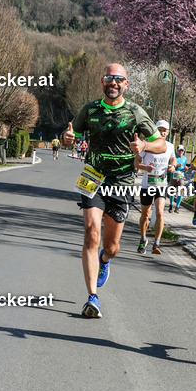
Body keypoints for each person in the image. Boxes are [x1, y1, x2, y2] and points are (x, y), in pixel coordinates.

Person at [61, 64, 166, 318]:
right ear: (102, 81)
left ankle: (105, 260)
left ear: (126, 84)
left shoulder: (135, 112)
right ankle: (92, 297)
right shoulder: (90, 109)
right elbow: (70, 133)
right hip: (93, 175)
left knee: (112, 246)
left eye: (118, 79)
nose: (113, 82)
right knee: (91, 232)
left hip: (122, 180)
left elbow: (161, 144)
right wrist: (67, 138)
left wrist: (144, 145)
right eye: (109, 78)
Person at [135, 120, 176, 255]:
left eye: (165, 130)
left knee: (159, 212)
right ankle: (143, 239)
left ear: (168, 132)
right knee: (145, 214)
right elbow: (136, 162)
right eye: (160, 129)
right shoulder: (147, 144)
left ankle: (157, 243)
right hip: (147, 185)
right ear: (155, 130)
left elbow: (173, 159)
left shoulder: (170, 146)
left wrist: (173, 166)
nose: (162, 132)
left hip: (161, 185)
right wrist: (144, 167)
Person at [168, 144, 188, 212]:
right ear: (177, 151)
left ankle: (177, 206)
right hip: (173, 175)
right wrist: (176, 165)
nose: (180, 152)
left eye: (182, 151)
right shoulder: (174, 157)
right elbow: (170, 165)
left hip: (181, 176)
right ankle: (171, 205)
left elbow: (184, 166)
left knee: (180, 190)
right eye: (179, 151)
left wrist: (185, 168)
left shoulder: (185, 158)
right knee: (172, 191)